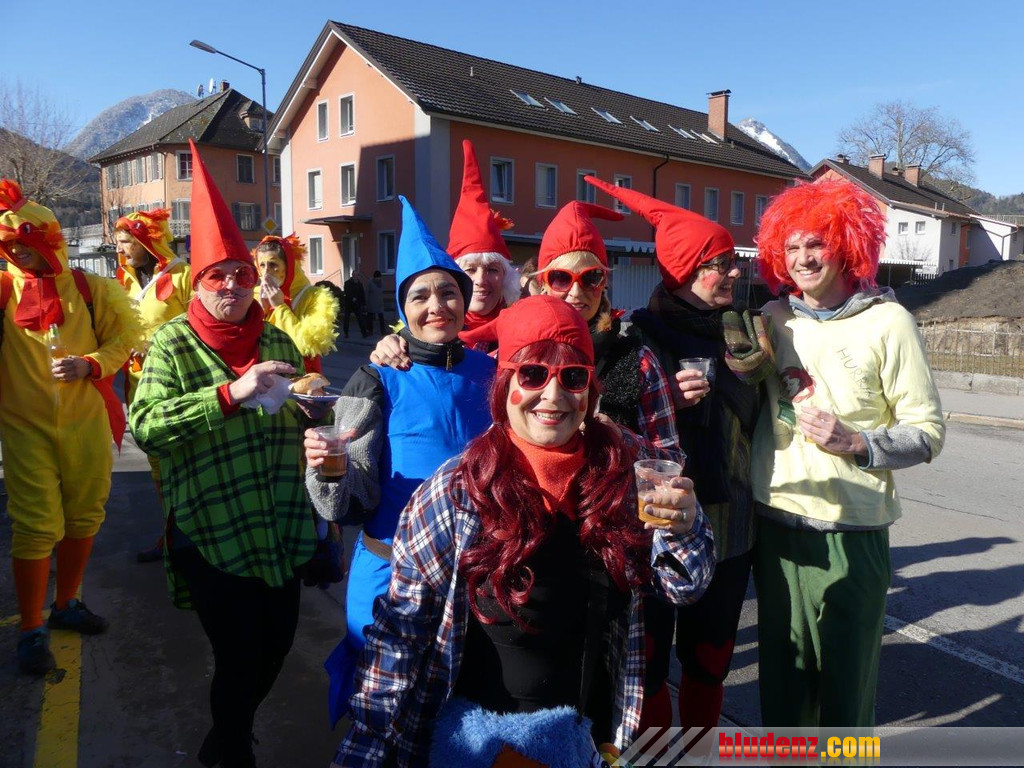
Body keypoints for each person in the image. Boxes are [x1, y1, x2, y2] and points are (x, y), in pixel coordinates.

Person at [330, 295, 715, 767]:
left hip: (595, 737)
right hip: (484, 745)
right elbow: (401, 634)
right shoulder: (456, 491)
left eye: (573, 377)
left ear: (591, 389)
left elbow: (684, 586)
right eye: (532, 374)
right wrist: (367, 745)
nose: (553, 396)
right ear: (504, 385)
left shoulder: (630, 467)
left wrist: (684, 528)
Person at [129, 140, 317, 768]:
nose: (233, 284)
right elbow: (147, 426)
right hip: (213, 527)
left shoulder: (275, 338)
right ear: (200, 282)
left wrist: (316, 415)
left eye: (241, 273)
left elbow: (298, 408)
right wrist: (230, 394)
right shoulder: (173, 344)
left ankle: (228, 733)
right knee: (238, 656)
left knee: (277, 647)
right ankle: (232, 748)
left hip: (281, 523)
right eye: (219, 275)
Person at [749, 178, 945, 727]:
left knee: (846, 698)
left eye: (816, 243)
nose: (803, 258)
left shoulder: (890, 322)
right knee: (783, 695)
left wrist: (857, 442)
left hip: (853, 533)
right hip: (777, 527)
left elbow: (927, 432)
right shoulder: (772, 320)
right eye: (791, 246)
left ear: (845, 244)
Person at [305, 195, 495, 728]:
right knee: (384, 715)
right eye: (420, 295)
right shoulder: (375, 377)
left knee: (459, 713)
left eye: (448, 292)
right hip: (391, 576)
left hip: (476, 579)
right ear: (402, 307)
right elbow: (345, 503)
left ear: (464, 300)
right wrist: (326, 468)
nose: (437, 305)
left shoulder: (494, 374)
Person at [586, 175, 758, 733]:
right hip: (655, 524)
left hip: (730, 525)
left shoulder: (746, 333)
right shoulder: (638, 337)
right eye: (721, 264)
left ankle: (700, 753)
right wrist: (665, 403)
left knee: (710, 660)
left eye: (734, 261)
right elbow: (604, 424)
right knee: (651, 665)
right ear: (685, 270)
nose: (735, 272)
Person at [0, 178, 140, 675]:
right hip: (24, 426)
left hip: (86, 422)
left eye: (26, 244)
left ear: (51, 239)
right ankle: (31, 628)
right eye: (9, 245)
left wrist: (91, 364)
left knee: (84, 515)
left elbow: (125, 340)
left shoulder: (90, 288)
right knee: (36, 526)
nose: (18, 254)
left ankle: (67, 603)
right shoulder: (3, 290)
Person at [495, 200, 680, 462]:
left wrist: (621, 438)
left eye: (590, 277)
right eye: (561, 277)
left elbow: (671, 461)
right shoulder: (515, 353)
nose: (575, 291)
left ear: (603, 283)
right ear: (543, 282)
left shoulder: (639, 361)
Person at [369, 139, 518, 365]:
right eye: (470, 269)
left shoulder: (521, 326)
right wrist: (390, 346)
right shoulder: (432, 328)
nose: (481, 280)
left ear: (506, 277)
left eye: (492, 270)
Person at [113, 208, 194, 563]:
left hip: (177, 385)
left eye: (126, 242)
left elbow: (200, 326)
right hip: (138, 384)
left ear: (147, 241)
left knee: (183, 463)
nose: (120, 249)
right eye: (118, 243)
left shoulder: (182, 275)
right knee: (158, 465)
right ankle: (170, 535)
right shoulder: (125, 279)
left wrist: (158, 345)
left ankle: (193, 537)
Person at [253, 233, 340, 372]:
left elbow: (308, 346)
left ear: (289, 266)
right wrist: (260, 312)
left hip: (301, 375)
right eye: (262, 265)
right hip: (265, 376)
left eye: (273, 264)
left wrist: (280, 307)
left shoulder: (315, 296)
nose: (266, 272)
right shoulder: (254, 294)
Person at [343, 270, 369, 338]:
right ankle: (346, 333)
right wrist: (352, 298)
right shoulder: (347, 283)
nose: (356, 276)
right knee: (346, 319)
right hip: (348, 304)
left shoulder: (359, 283)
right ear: (352, 275)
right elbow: (346, 292)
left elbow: (362, 294)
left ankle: (364, 333)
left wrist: (364, 304)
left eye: (357, 275)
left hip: (357, 304)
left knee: (360, 318)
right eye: (355, 275)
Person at [365, 269, 386, 336]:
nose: (379, 279)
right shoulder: (370, 282)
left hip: (379, 303)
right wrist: (366, 303)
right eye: (378, 277)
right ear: (375, 277)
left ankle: (383, 331)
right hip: (371, 303)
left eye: (379, 277)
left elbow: (381, 292)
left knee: (381, 318)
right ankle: (370, 331)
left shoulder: (381, 282)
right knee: (370, 318)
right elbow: (366, 293)